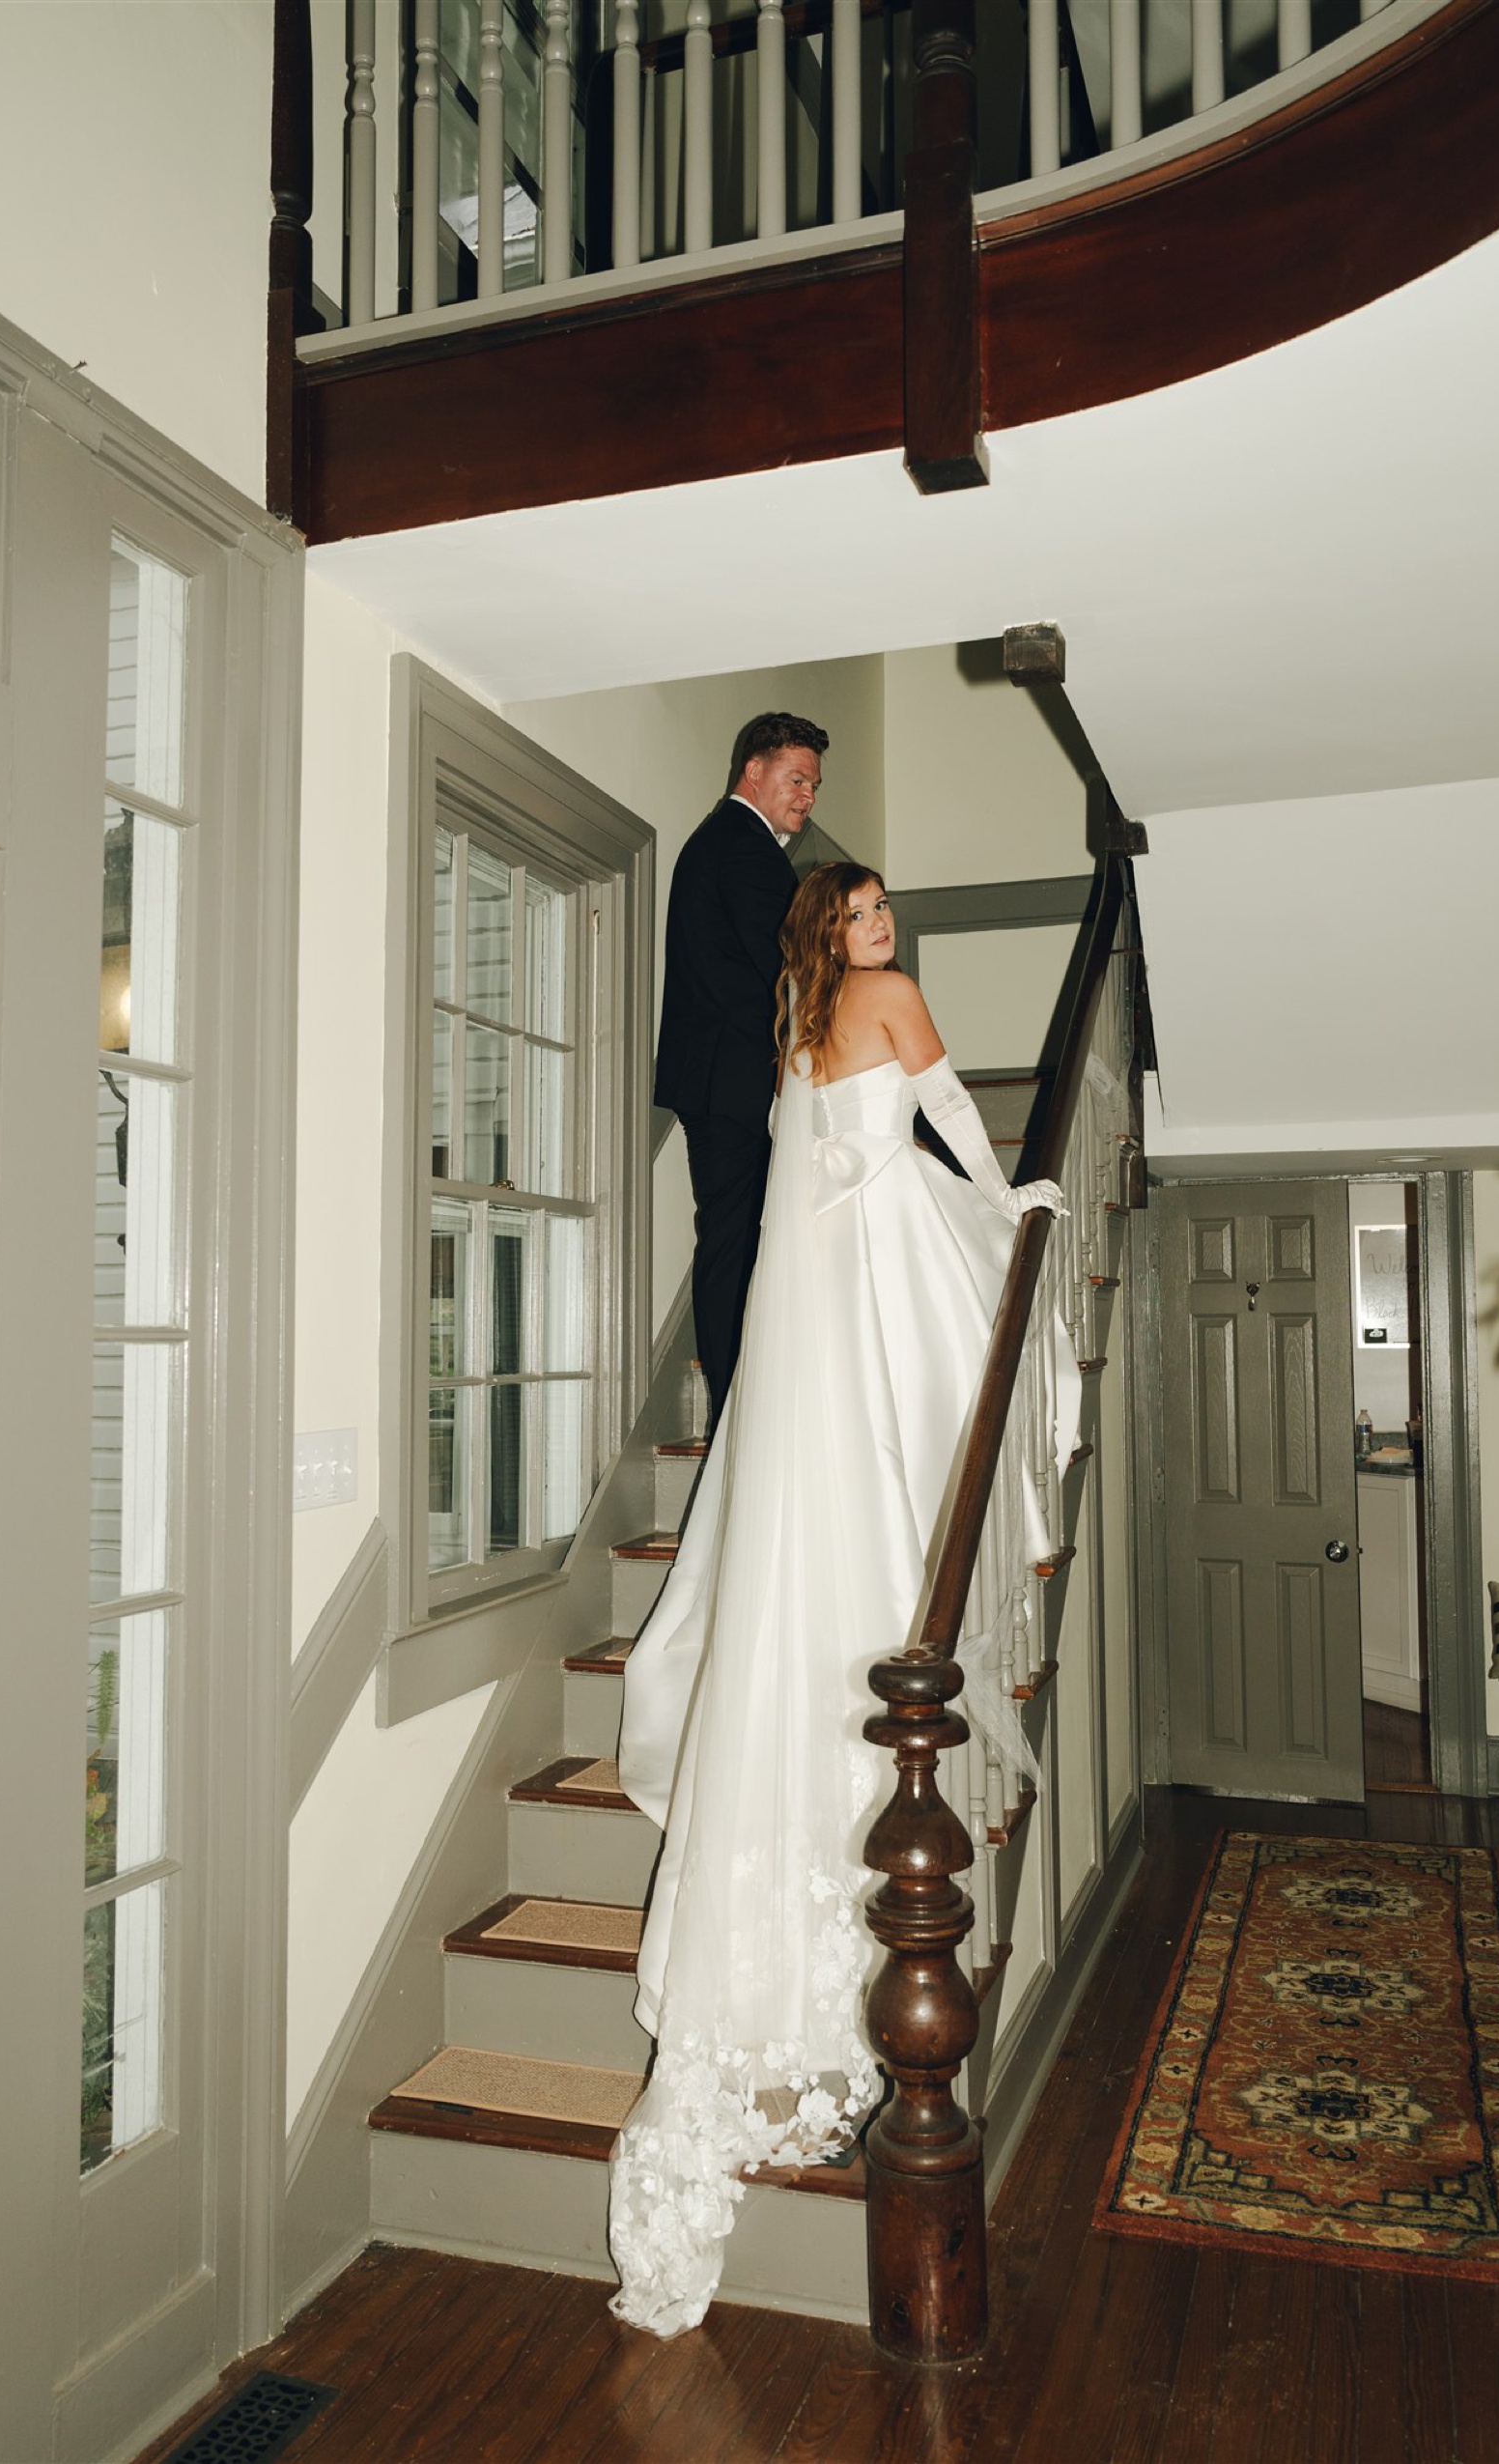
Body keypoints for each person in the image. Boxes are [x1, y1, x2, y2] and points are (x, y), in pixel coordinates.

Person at [608, 864, 1081, 2339]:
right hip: (861, 1282)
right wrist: (1018, 1207)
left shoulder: (799, 1021)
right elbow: (951, 1125)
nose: (887, 929)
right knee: (933, 1411)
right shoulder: (886, 1001)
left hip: (807, 1312)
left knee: (827, 1514)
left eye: (887, 913)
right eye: (869, 912)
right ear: (844, 933)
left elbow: (816, 1159)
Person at [653, 714, 829, 1430]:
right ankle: (734, 1410)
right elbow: (790, 973)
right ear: (752, 771)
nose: (809, 795)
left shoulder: (716, 844)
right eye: (797, 778)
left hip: (719, 1080)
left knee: (733, 1240)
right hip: (734, 1083)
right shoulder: (747, 850)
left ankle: (739, 1402)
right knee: (733, 1243)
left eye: (815, 785)